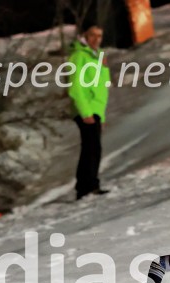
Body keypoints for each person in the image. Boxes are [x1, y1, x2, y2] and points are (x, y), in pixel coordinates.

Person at [68, 24, 110, 200]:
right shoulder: (79, 56)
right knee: (91, 148)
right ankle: (87, 186)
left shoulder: (96, 57)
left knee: (93, 148)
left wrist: (105, 67)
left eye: (99, 35)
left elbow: (103, 86)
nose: (96, 39)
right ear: (84, 35)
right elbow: (75, 86)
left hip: (96, 110)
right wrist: (85, 112)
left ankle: (87, 185)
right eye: (92, 35)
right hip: (87, 110)